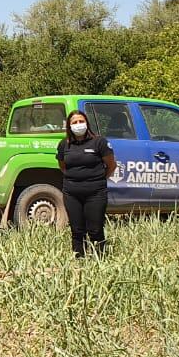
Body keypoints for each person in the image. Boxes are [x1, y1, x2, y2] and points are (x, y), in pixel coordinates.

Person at [56, 109, 116, 257]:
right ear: (69, 126)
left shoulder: (99, 142)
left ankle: (99, 260)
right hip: (72, 193)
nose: (78, 125)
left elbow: (111, 165)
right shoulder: (64, 144)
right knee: (77, 230)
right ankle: (79, 262)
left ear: (87, 123)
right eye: (74, 122)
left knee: (95, 230)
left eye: (81, 121)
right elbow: (62, 166)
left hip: (95, 192)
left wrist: (98, 180)